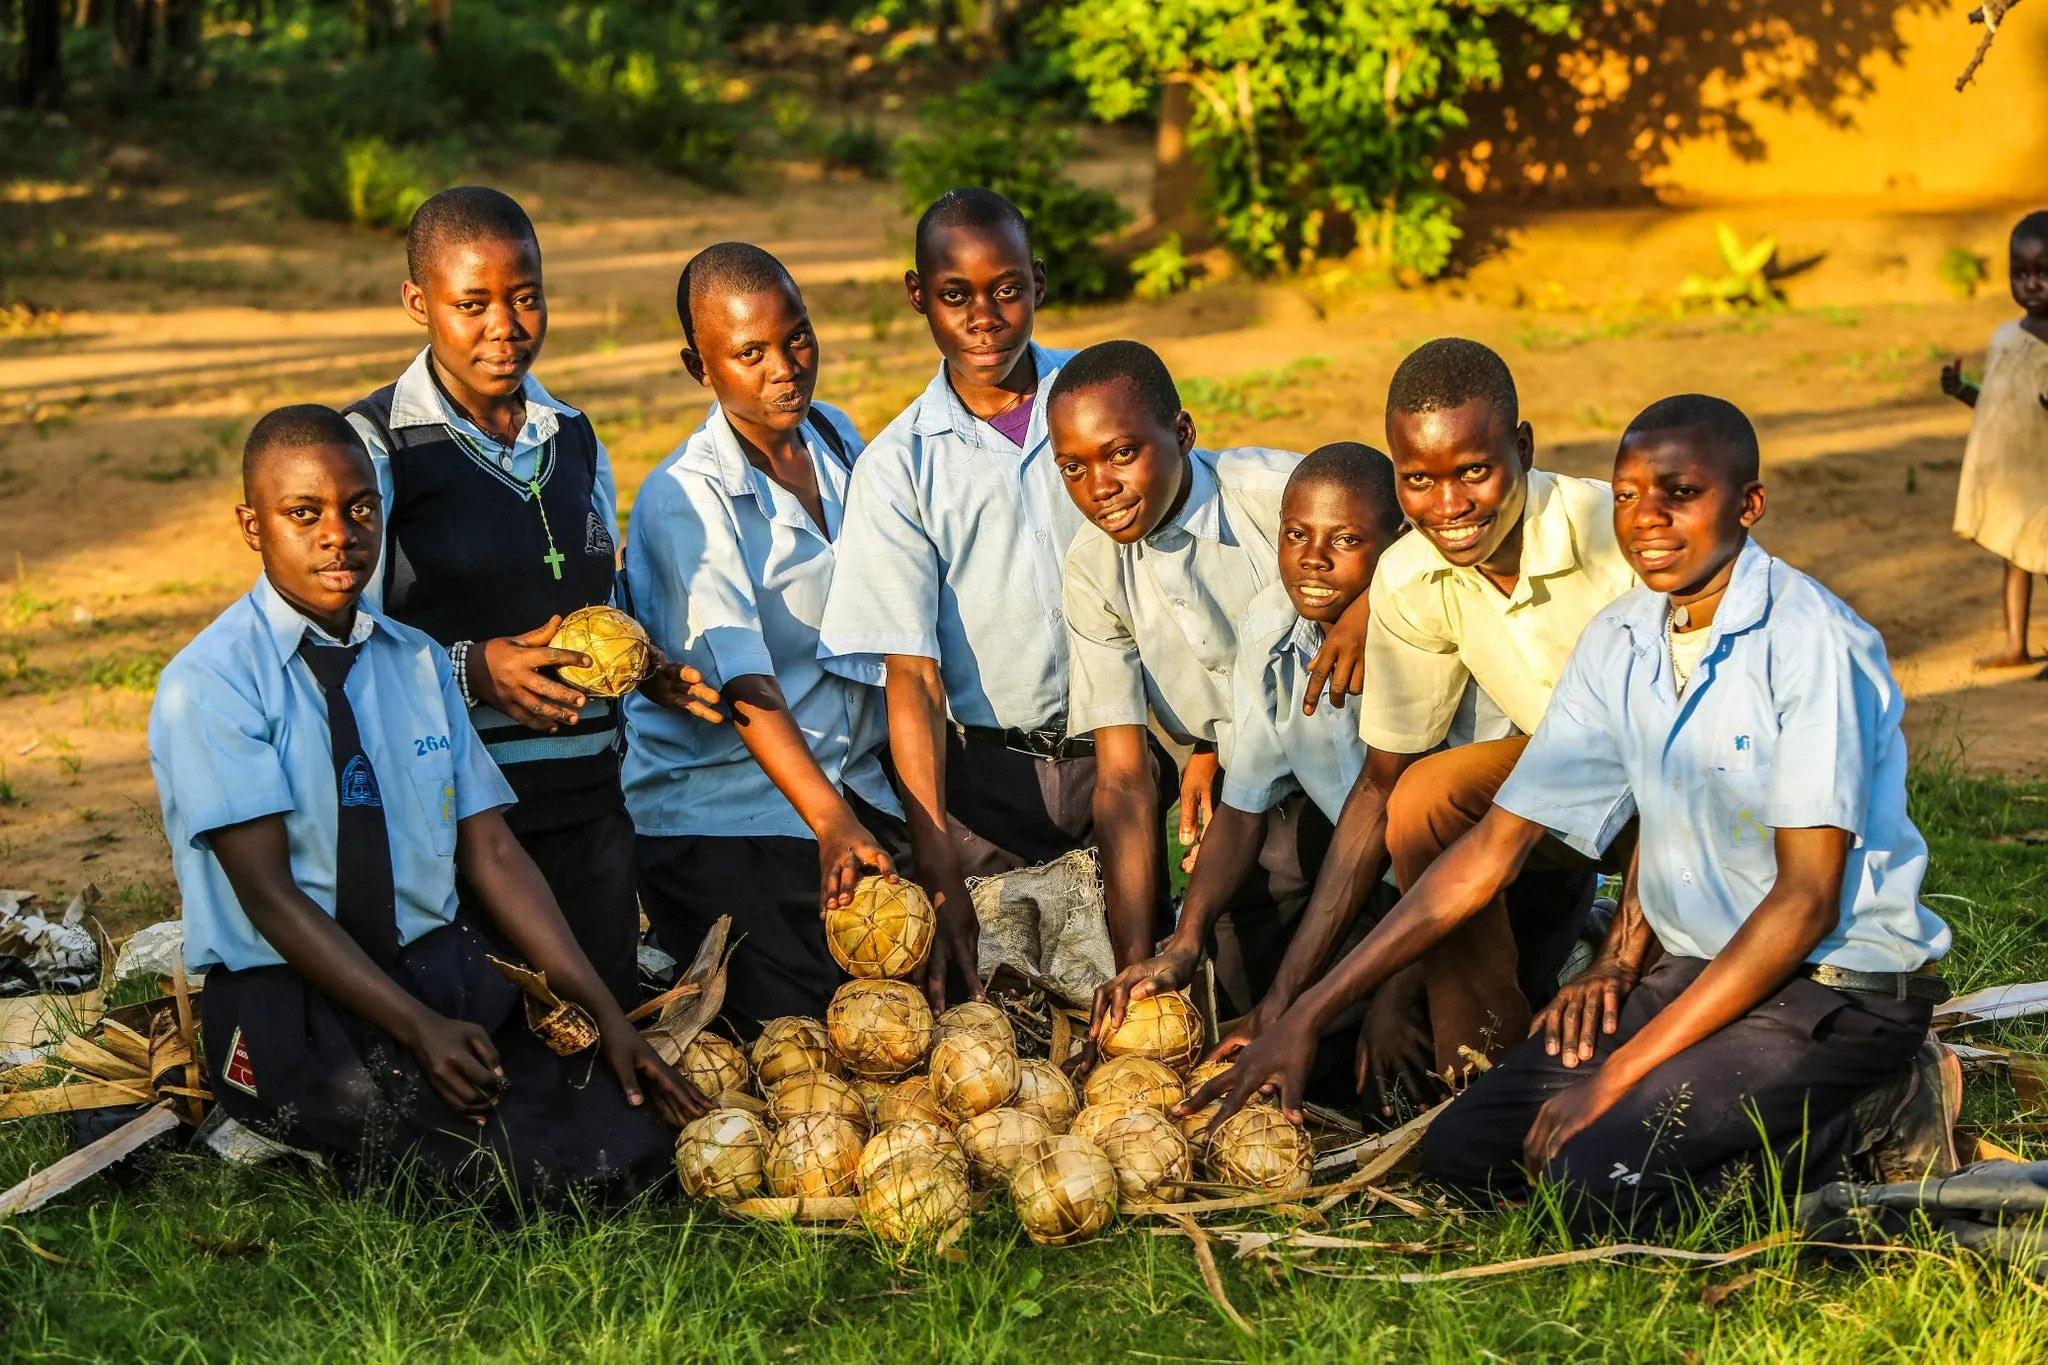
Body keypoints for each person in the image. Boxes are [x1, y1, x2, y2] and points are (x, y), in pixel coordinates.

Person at [1186, 394, 1955, 1237]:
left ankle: (1880, 1108)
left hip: (1831, 992)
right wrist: (1303, 1012)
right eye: (1627, 495)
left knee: (1592, 1181)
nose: (1647, 520)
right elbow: (1489, 853)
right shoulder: (1623, 635)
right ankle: (1685, 1114)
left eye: (1681, 493)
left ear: (1749, 504)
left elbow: (1805, 903)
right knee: (1464, 1155)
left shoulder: (1813, 643)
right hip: (1695, 974)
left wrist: (1619, 1073)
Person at [149, 406, 705, 1204]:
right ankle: (278, 1125)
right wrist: (418, 1028)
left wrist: (609, 1015)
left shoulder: (412, 662)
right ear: (251, 523)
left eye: (359, 508)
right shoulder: (210, 684)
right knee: (495, 1175)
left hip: (435, 965)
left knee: (634, 1135)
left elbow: (493, 852)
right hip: (293, 989)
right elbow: (269, 896)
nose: (339, 534)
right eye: (303, 514)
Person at [1200, 338, 1637, 1106]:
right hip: (1559, 780)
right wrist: (1286, 1005)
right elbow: (1379, 795)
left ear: (1523, 447)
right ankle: (1481, 1075)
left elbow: (1689, 767)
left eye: (1475, 471)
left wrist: (1624, 958)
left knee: (1656, 1008)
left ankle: (1612, 960)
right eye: (1419, 480)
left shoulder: (1614, 537)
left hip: (1695, 788)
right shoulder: (1410, 573)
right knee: (1423, 795)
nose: (1450, 506)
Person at [342, 186, 718, 1010]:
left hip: (586, 806)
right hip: (459, 826)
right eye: (471, 304)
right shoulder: (376, 446)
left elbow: (596, 592)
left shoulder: (573, 434)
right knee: (497, 1050)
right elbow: (343, 643)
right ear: (418, 303)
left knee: (601, 1036)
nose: (504, 327)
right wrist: (474, 671)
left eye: (525, 297)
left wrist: (645, 664)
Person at [622, 243, 910, 1035]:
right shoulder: (687, 499)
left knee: (922, 1002)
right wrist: (830, 824)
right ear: (700, 367)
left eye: (798, 338)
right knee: (811, 1036)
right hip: (730, 816)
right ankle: (668, 954)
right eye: (749, 353)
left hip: (850, 788)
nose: (784, 367)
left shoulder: (836, 438)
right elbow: (745, 684)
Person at [1053, 340, 1368, 1024]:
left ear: (1185, 433)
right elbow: (1124, 776)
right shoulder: (1093, 568)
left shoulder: (1276, 494)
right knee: (1238, 969)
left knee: (1365, 965)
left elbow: (1403, 521)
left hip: (1367, 767)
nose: (1099, 486)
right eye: (1072, 467)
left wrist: (1371, 605)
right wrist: (1139, 963)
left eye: (1122, 453)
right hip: (1242, 785)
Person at [1085, 441, 1408, 1075]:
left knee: (1388, 1056)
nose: (1313, 559)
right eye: (1295, 535)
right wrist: (1184, 940)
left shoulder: (1425, 633)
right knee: (1247, 1015)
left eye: (1344, 540)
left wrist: (1306, 1001)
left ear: (1397, 545)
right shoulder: (1269, 625)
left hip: (1443, 888)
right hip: (1355, 866)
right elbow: (1243, 806)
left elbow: (1403, 830)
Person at [1941, 209, 2048, 676]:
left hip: (2044, 477)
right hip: (2012, 478)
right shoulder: (2004, 338)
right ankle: (2015, 645)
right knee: (2014, 558)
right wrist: (1961, 390)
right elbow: (1997, 408)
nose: (2031, 284)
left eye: (2044, 273)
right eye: (2020, 273)